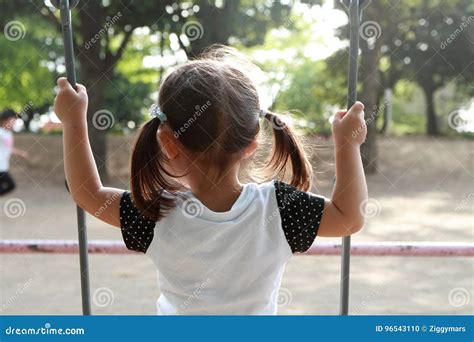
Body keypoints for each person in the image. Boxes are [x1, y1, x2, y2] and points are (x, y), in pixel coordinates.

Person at [53, 46, 368, 315]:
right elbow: (349, 217)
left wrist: (73, 120)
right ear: (252, 143)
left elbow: (86, 192)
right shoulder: (281, 209)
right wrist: (348, 145)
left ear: (167, 142)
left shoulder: (155, 213)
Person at [0, 109, 28, 196]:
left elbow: (8, 148)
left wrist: (19, 153)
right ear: (5, 120)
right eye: (12, 120)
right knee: (11, 185)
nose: (14, 122)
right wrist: (20, 153)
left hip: (4, 166)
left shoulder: (8, 133)